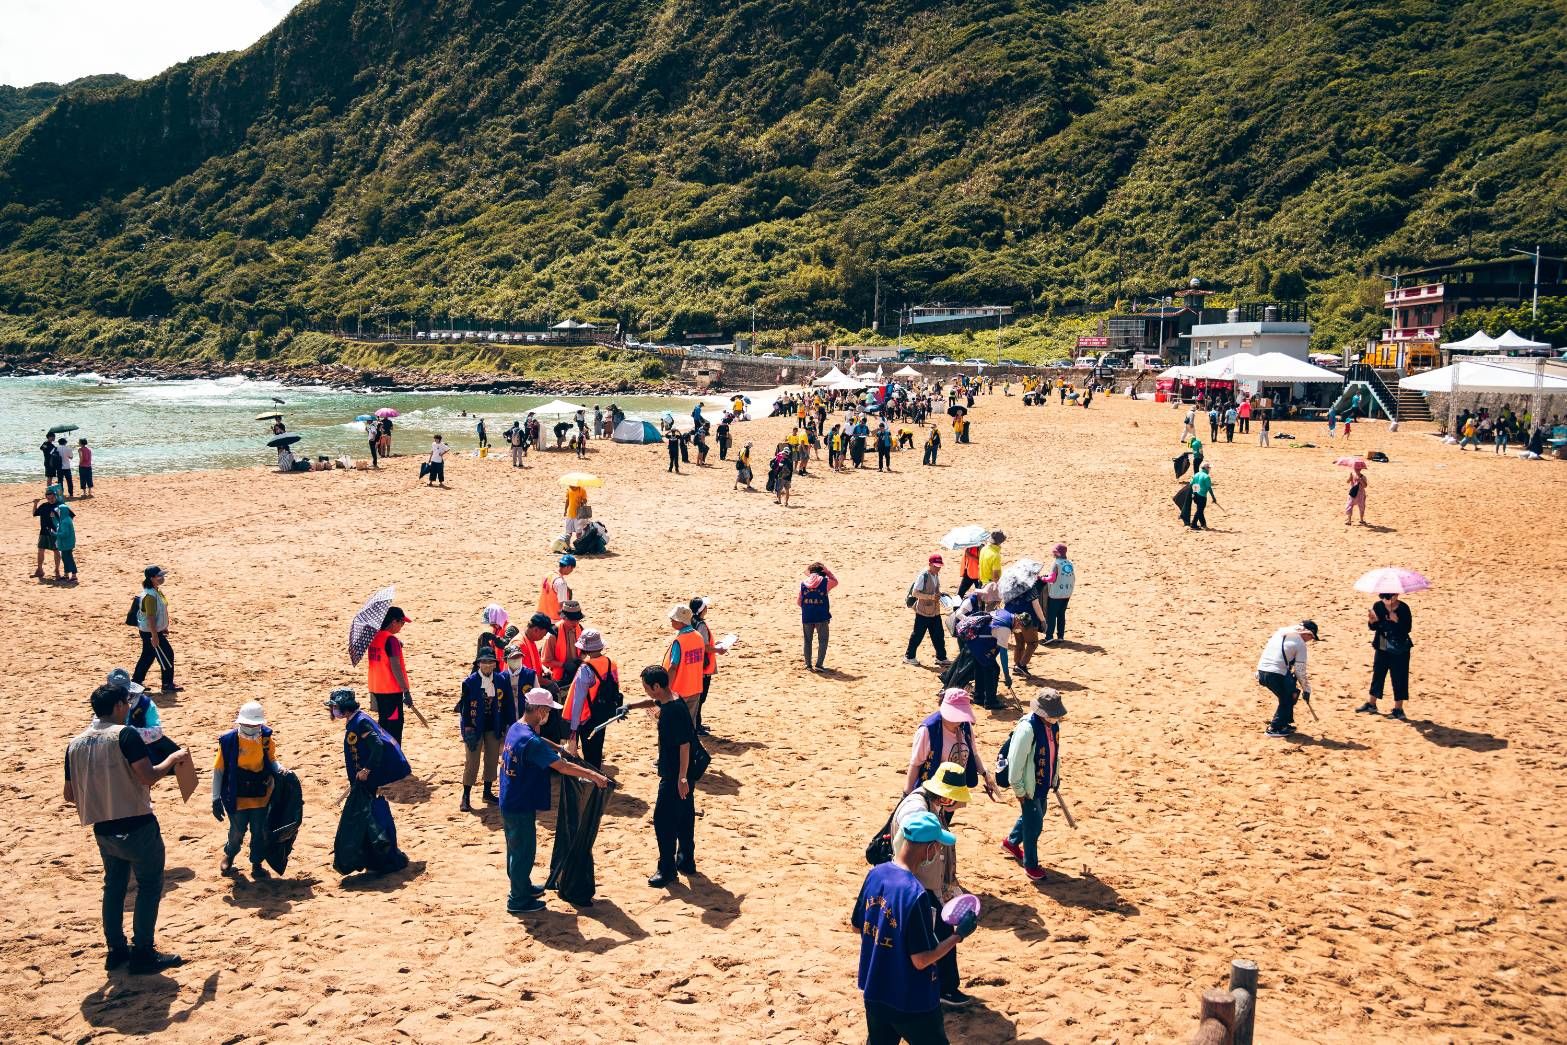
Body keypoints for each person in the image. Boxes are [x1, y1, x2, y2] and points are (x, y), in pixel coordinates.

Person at [66, 683, 191, 974]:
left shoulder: (75, 743)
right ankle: (143, 952)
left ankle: (116, 950)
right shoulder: (126, 735)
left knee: (114, 887)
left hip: (103, 829)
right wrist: (172, 759)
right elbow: (148, 777)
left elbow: (69, 794)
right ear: (120, 706)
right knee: (149, 886)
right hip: (136, 823)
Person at [851, 810, 974, 1044]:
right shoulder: (915, 894)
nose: (938, 851)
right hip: (911, 1000)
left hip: (875, 990)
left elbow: (857, 926)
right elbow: (921, 960)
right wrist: (959, 935)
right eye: (937, 846)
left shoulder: (875, 874)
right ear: (927, 849)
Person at [500, 687, 610, 913]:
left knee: (515, 848)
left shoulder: (517, 728)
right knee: (524, 851)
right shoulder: (530, 741)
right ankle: (518, 900)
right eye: (548, 710)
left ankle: (522, 886)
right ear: (540, 710)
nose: (550, 714)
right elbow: (561, 766)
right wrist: (594, 775)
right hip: (520, 803)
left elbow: (540, 741)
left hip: (510, 799)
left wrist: (558, 747)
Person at [893, 761, 979, 1009]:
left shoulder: (930, 803)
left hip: (925, 884)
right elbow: (908, 848)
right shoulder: (916, 811)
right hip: (919, 885)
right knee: (936, 937)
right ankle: (944, 989)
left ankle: (941, 986)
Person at [622, 665, 700, 886]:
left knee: (663, 821)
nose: (645, 691)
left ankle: (666, 869)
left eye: (646, 687)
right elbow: (653, 702)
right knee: (685, 816)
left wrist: (682, 778)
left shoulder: (673, 711)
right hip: (683, 771)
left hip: (675, 774)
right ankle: (686, 859)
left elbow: (684, 745)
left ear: (656, 686)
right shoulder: (671, 698)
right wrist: (630, 705)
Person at [327, 687, 409, 873]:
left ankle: (387, 858)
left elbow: (377, 746)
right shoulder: (356, 720)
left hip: (371, 781)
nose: (333, 711)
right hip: (365, 782)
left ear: (345, 707)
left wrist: (366, 770)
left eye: (335, 707)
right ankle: (375, 859)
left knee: (378, 817)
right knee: (370, 817)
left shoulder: (361, 722)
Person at [1001, 689, 1066, 881]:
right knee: (1034, 825)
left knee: (1037, 814)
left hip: (1043, 783)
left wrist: (1055, 777)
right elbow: (1016, 761)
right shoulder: (1027, 729)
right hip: (1029, 787)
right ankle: (1031, 864)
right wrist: (1019, 789)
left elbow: (1054, 754)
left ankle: (1011, 842)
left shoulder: (1053, 727)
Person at [212, 701, 283, 877]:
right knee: (237, 832)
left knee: (259, 831)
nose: (251, 727)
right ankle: (229, 854)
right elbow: (218, 769)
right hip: (237, 796)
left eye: (255, 724)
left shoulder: (265, 739)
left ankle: (256, 863)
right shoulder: (228, 741)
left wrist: (281, 770)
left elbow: (271, 760)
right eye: (247, 724)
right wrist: (215, 799)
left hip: (260, 794)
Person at [457, 647, 513, 811]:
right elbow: (464, 708)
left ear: (495, 664)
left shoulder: (502, 680)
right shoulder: (470, 682)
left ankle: (487, 792)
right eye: (484, 662)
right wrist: (467, 728)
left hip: (494, 725)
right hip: (475, 726)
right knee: (472, 761)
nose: (487, 665)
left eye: (490, 662)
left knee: (491, 759)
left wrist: (510, 724)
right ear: (478, 664)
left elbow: (508, 703)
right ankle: (466, 795)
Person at [564, 628, 620, 766]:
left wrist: (573, 727)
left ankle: (593, 779)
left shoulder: (585, 669)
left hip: (587, 715)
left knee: (588, 749)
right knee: (597, 745)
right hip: (604, 711)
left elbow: (578, 700)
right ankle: (597, 771)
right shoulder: (611, 662)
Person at [1255, 620, 1320, 738]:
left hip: (1262, 672)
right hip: (1275, 675)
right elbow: (1300, 671)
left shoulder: (1279, 634)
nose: (1310, 639)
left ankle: (1284, 723)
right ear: (1306, 632)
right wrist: (1307, 689)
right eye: (1311, 636)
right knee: (1288, 697)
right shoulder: (1300, 644)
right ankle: (1275, 728)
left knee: (1291, 692)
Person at [1357, 593, 1412, 720]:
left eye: (1388, 597)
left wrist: (1397, 620)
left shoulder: (1403, 608)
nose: (1385, 600)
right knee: (1378, 673)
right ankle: (1371, 704)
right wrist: (1372, 622)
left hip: (1400, 646)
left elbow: (1407, 628)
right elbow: (1374, 627)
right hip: (1382, 643)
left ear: (1396, 595)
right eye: (1383, 597)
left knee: (1399, 676)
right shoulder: (1378, 606)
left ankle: (1398, 709)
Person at [366, 606, 415, 746]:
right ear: (394, 622)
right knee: (394, 729)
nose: (402, 626)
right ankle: (393, 761)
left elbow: (383, 655)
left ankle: (384, 759)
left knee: (383, 726)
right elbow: (395, 667)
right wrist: (406, 691)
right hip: (391, 691)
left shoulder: (374, 637)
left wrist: (396, 644)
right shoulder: (391, 640)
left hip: (377, 688)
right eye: (402, 623)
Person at [132, 566, 179, 694]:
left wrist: (163, 627)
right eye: (159, 576)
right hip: (150, 632)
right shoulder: (150, 596)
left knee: (147, 656)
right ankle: (167, 684)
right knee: (167, 654)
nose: (162, 578)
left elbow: (160, 612)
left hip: (152, 630)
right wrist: (155, 635)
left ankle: (136, 682)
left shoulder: (155, 591)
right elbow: (150, 617)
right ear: (151, 578)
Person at [662, 604, 707, 722]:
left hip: (679, 690)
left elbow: (673, 668)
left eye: (673, 619)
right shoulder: (698, 636)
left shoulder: (680, 641)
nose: (671, 621)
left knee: (675, 725)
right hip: (695, 687)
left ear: (680, 622)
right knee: (690, 724)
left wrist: (666, 689)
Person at [904, 555, 949, 666]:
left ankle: (941, 658)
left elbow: (935, 588)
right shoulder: (923, 576)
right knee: (917, 635)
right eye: (936, 566)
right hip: (923, 611)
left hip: (934, 611)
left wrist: (939, 594)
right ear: (930, 564)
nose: (938, 568)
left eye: (939, 566)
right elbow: (915, 593)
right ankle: (909, 656)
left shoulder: (935, 574)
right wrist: (931, 597)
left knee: (938, 635)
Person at [689, 597, 722, 735]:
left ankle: (698, 723)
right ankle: (697, 727)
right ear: (703, 610)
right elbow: (705, 647)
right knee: (700, 698)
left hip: (695, 664)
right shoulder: (701, 625)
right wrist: (718, 649)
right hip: (703, 667)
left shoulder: (691, 621)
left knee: (698, 697)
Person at [798, 561, 837, 672]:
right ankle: (819, 665)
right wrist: (828, 572)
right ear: (822, 572)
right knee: (823, 640)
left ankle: (808, 665)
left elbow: (799, 602)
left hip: (807, 615)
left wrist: (809, 607)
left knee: (807, 640)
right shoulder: (825, 582)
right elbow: (835, 581)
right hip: (821, 615)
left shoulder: (803, 583)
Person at [1042, 543, 1075, 645]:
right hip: (1067, 593)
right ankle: (1060, 636)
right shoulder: (1069, 563)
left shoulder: (1056, 563)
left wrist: (1042, 578)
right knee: (1061, 614)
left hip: (1056, 594)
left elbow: (1052, 579)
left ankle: (1049, 637)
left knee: (1051, 616)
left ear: (1058, 553)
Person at [32, 488, 61, 581]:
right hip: (43, 531)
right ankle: (40, 570)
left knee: (56, 550)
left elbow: (67, 518)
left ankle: (57, 570)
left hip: (54, 532)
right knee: (40, 550)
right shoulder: (44, 505)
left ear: (55, 496)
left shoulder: (60, 506)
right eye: (48, 498)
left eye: (52, 498)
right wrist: (35, 504)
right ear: (46, 498)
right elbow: (34, 513)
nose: (50, 500)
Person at [538, 555, 575, 621]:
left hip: (541, 615)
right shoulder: (561, 583)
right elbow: (563, 605)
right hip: (554, 619)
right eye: (572, 568)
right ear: (568, 567)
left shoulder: (547, 575)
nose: (572, 571)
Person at [1188, 463, 1213, 530]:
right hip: (1202, 496)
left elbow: (1192, 484)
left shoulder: (1196, 474)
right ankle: (1197, 524)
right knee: (1200, 510)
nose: (1209, 470)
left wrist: (1195, 493)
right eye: (1208, 468)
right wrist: (1213, 498)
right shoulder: (1206, 477)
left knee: (1199, 510)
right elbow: (1209, 488)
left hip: (1195, 495)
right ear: (1205, 468)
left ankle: (1199, 524)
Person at [1345, 460, 1368, 526]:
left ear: (1360, 469)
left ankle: (1361, 520)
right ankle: (1349, 520)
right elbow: (1347, 481)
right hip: (1353, 493)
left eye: (1358, 469)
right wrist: (1350, 477)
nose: (1357, 470)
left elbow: (1365, 486)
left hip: (1360, 494)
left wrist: (1360, 480)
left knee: (1361, 507)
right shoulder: (1352, 474)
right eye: (1355, 468)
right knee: (1349, 506)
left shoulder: (1363, 477)